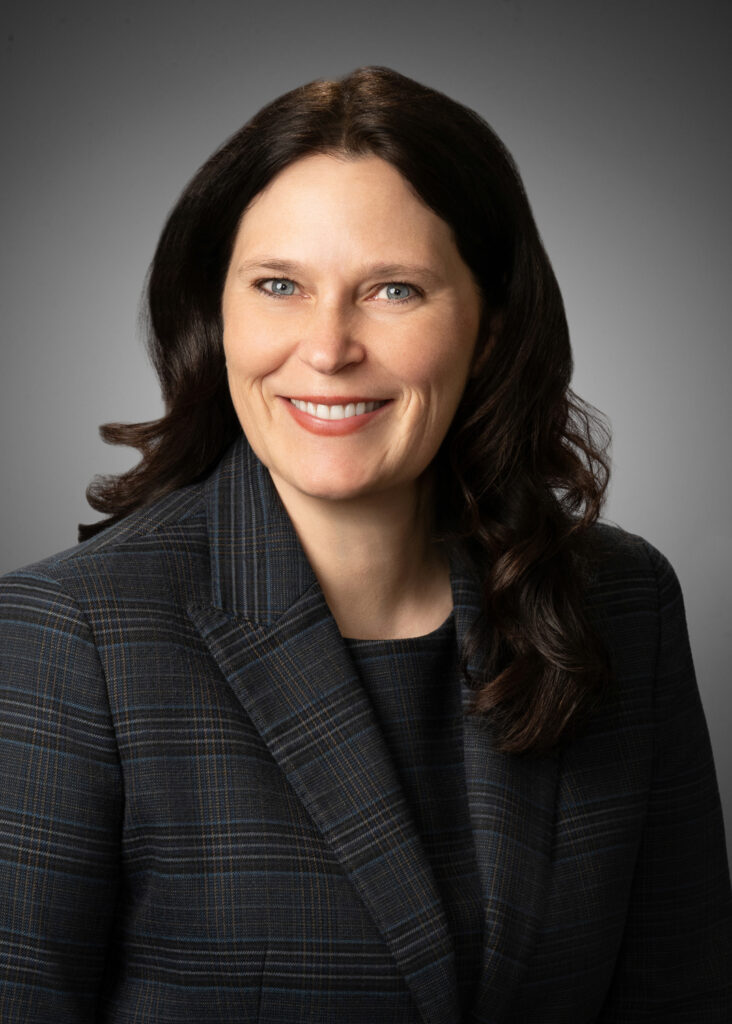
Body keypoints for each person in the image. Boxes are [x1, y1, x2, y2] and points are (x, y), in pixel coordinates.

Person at [0, 65, 729, 1023]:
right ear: (216, 314)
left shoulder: (624, 603)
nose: (328, 347)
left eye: (393, 290)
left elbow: (683, 995)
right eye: (279, 286)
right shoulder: (68, 639)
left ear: (490, 326)